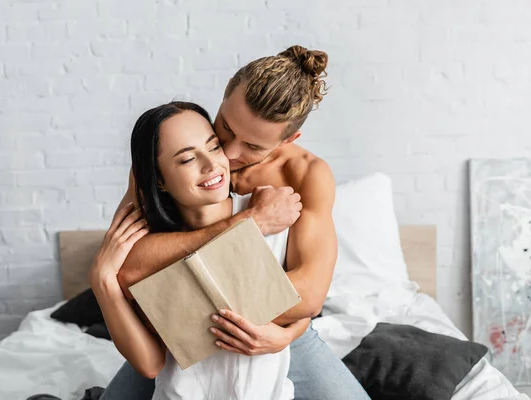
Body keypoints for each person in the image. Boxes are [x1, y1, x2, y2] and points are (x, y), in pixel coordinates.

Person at [99, 45, 370, 400]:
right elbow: (127, 263)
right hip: (173, 328)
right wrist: (248, 223)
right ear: (225, 94)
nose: (226, 154)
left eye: (253, 147)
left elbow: (307, 297)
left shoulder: (305, 174)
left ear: (289, 139)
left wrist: (290, 333)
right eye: (225, 128)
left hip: (268, 330)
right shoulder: (170, 158)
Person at [91, 102, 309, 399]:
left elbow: (305, 305)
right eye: (187, 159)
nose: (211, 166)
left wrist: (285, 336)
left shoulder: (274, 215)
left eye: (215, 147)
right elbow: (151, 363)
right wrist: (103, 281)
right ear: (159, 179)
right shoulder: (154, 252)